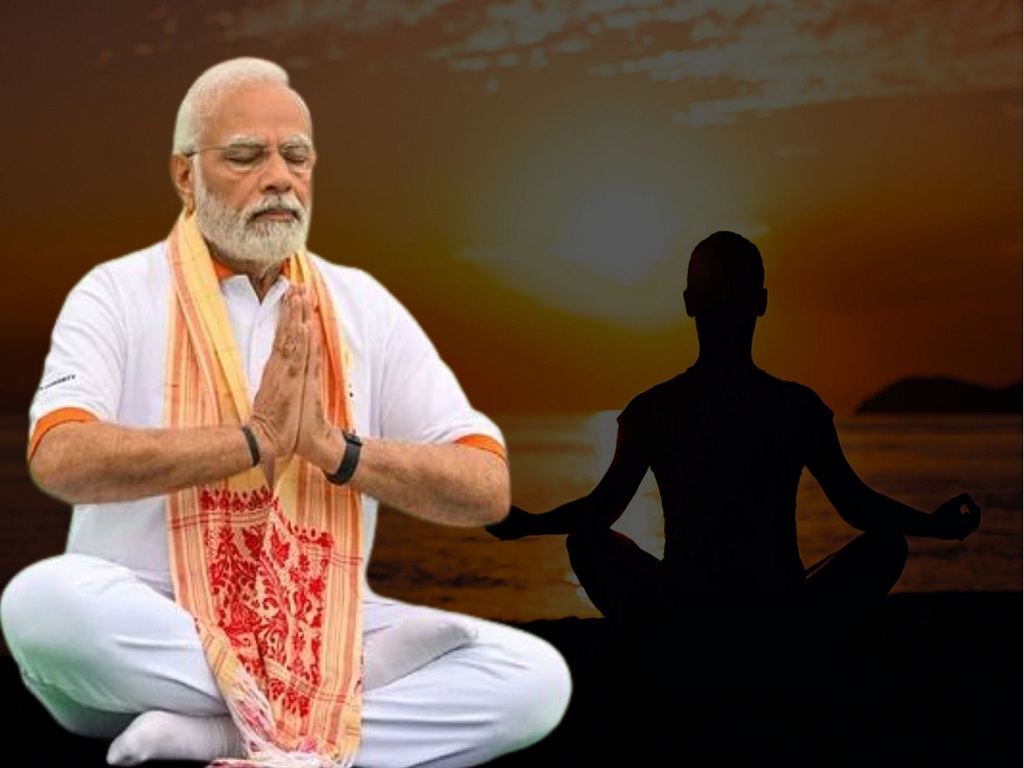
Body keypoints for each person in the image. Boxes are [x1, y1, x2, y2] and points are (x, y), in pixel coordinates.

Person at [0, 57, 570, 768]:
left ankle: (223, 729)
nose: (279, 177)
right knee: (43, 605)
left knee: (535, 681)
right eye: (246, 156)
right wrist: (252, 441)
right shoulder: (116, 292)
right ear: (186, 175)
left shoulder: (363, 303)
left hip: (322, 624)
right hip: (144, 621)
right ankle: (315, 709)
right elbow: (59, 457)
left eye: (295, 157)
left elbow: (486, 487)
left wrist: (337, 451)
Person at [487, 230, 981, 643]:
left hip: (684, 610)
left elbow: (598, 514)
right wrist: (933, 525)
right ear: (761, 304)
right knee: (886, 546)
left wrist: (527, 523)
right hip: (780, 611)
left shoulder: (655, 409)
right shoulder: (795, 407)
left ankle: (669, 650)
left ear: (688, 304)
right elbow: (857, 507)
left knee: (587, 544)